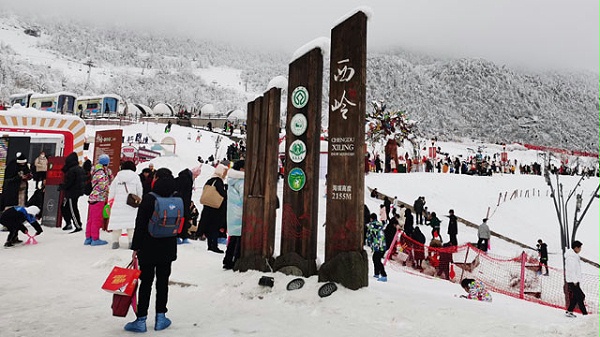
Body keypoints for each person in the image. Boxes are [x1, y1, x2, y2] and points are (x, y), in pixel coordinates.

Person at [126, 168, 179, 332]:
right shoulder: (176, 199)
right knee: (163, 283)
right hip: (168, 248)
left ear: (156, 179)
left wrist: (135, 247)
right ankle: (161, 318)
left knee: (146, 283)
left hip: (148, 247)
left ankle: (141, 320)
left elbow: (140, 224)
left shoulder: (149, 198)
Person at [107, 161, 143, 249]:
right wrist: (139, 199)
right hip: (131, 204)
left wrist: (110, 202)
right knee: (131, 224)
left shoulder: (118, 177)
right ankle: (131, 242)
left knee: (117, 223)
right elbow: (139, 190)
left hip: (118, 204)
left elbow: (112, 190)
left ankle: (115, 242)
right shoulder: (135, 177)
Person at [199, 162, 228, 253]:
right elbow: (223, 195)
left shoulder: (210, 180)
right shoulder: (218, 182)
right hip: (215, 209)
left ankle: (210, 245)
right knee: (214, 228)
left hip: (207, 207)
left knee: (209, 227)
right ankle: (214, 246)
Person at [84, 154, 112, 246]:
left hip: (93, 197)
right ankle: (95, 239)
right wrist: (108, 186)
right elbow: (103, 185)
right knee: (96, 219)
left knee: (91, 219)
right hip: (99, 197)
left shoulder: (95, 170)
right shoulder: (101, 172)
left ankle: (88, 237)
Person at [223, 160, 244, 270]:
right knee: (239, 239)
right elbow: (244, 198)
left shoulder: (232, 179)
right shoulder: (241, 181)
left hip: (232, 213)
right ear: (241, 169)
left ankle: (227, 260)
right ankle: (235, 260)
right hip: (240, 213)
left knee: (233, 238)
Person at [175, 165, 202, 244]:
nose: (196, 177)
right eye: (196, 175)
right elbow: (186, 195)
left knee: (180, 219)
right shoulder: (187, 180)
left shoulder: (183, 177)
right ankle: (180, 236)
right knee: (182, 219)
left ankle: (180, 236)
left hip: (179, 202)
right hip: (183, 203)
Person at [59, 152, 86, 233]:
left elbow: (69, 182)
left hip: (71, 192)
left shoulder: (71, 171)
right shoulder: (79, 168)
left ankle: (77, 225)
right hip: (76, 191)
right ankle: (69, 223)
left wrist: (62, 186)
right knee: (64, 207)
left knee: (72, 209)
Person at [565, 240, 588, 317]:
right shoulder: (571, 257)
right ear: (575, 248)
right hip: (572, 281)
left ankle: (569, 311)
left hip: (575, 280)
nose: (580, 249)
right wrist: (575, 280)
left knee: (577, 296)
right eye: (579, 248)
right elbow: (571, 270)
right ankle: (585, 314)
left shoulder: (574, 256)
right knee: (580, 296)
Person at [366, 213, 387, 282]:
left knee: (377, 259)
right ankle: (376, 273)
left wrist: (368, 243)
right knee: (375, 258)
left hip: (377, 245)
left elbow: (368, 236)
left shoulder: (371, 225)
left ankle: (383, 275)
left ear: (371, 218)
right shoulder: (380, 224)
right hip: (382, 244)